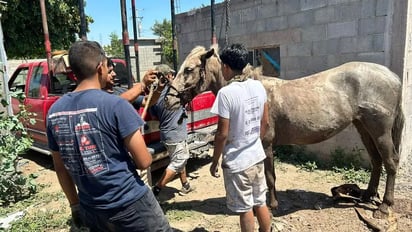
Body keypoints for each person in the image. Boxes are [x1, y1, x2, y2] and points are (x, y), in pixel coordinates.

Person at [46, 40, 171, 231]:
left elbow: (60, 168)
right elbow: (144, 161)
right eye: (107, 66)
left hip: (90, 207)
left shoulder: (55, 111)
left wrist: (75, 206)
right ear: (100, 67)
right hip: (130, 204)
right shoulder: (115, 105)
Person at [209, 43, 272, 232]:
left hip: (238, 163)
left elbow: (222, 134)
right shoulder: (258, 86)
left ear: (226, 67)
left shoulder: (226, 94)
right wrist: (254, 143)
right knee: (260, 201)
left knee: (245, 208)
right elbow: (265, 123)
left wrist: (215, 160)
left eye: (222, 66)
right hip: (257, 157)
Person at [150, 64, 195, 197]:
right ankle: (157, 189)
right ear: (168, 76)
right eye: (172, 74)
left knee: (178, 159)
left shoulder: (154, 96)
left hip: (166, 134)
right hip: (176, 133)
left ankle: (185, 185)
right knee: (179, 160)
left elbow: (154, 114)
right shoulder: (175, 91)